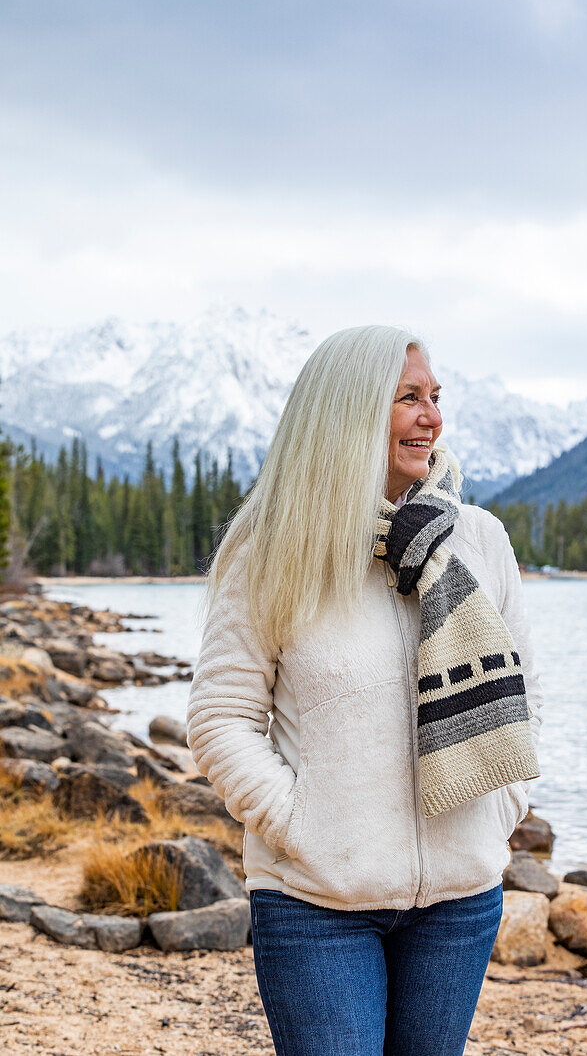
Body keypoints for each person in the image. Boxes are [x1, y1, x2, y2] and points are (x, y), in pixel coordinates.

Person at [186, 325, 543, 1056]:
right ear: (348, 411)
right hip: (318, 905)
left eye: (435, 397)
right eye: (408, 397)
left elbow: (524, 697)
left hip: (458, 904)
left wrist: (497, 813)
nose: (431, 416)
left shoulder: (478, 541)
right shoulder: (274, 548)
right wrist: (302, 825)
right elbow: (222, 718)